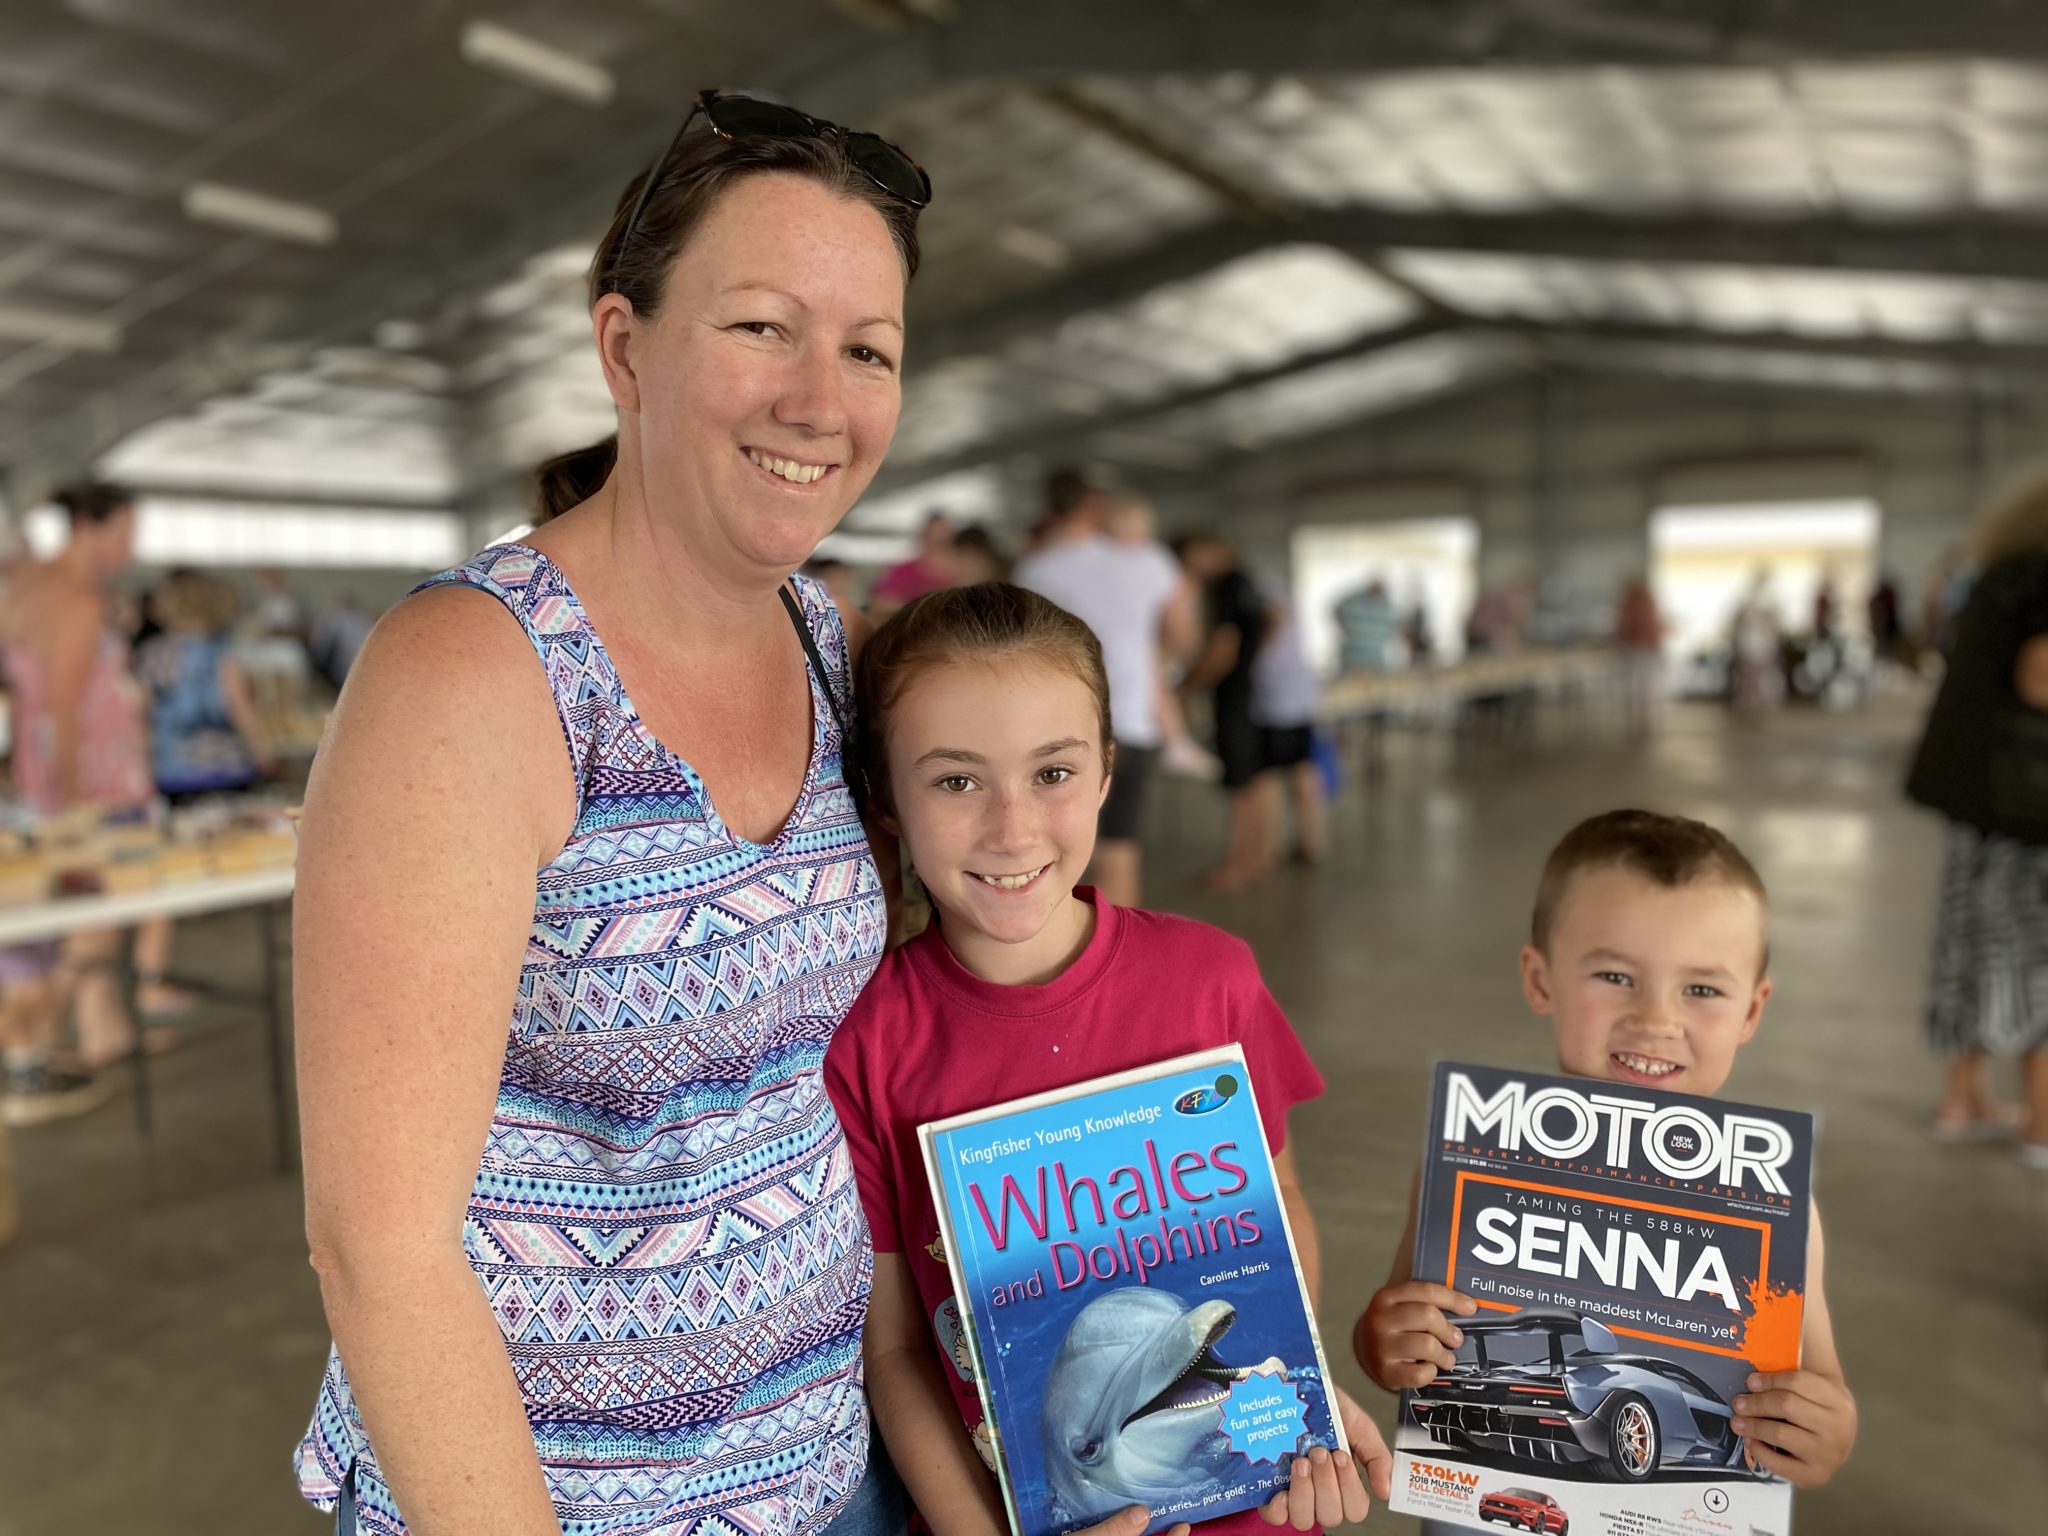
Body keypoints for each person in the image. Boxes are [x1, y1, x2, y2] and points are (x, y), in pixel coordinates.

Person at [292, 90, 929, 1536]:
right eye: (763, 325)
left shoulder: (825, 641)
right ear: (624, 345)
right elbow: (377, 1246)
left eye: (869, 350)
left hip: (832, 1469)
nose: (819, 399)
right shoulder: (475, 675)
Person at [823, 583, 1392, 1536]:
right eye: (956, 780)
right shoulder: (866, 1038)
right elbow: (891, 1351)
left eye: (1052, 773)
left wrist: (1297, 1388)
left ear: (1106, 774)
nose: (1012, 828)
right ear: (884, 798)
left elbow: (1278, 1208)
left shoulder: (1212, 980)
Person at [1353, 811, 1859, 1524]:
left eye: (1703, 990)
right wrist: (1382, 1344)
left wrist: (1824, 1431)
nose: (1655, 1020)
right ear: (1540, 979)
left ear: (1753, 1009)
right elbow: (1398, 1334)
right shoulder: (1474, 1159)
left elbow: (1821, 1385)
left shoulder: (1777, 1209)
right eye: (1615, 976)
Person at [0, 483, 179, 1099]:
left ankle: (101, 1034)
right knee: (91, 925)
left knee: (73, 922)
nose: (131, 549)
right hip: (92, 785)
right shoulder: (76, 601)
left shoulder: (25, 584)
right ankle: (30, 1050)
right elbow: (64, 708)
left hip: (42, 776)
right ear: (89, 528)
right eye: (126, 533)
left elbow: (27, 699)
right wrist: (76, 802)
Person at [1905, 470, 2048, 1165]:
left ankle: (1963, 1099)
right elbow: (2041, 677)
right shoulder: (2044, 579)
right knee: (2036, 956)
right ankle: (2044, 1122)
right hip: (2029, 805)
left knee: (1970, 948)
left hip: (1978, 798)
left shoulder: (2004, 574)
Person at [1015, 474, 1196, 907]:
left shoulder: (1035, 569)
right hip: (1129, 719)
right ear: (1096, 506)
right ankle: (1119, 961)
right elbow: (1184, 637)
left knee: (1048, 852)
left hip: (1053, 724)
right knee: (1119, 846)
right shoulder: (1150, 561)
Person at [1176, 532, 1273, 891]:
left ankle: (1238, 864)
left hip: (1234, 696)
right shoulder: (1248, 583)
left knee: (1241, 785)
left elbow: (1223, 648)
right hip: (1251, 691)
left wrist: (1187, 685)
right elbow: (1271, 622)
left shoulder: (1228, 586)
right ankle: (1259, 857)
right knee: (1254, 780)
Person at [136, 569, 278, 802]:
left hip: (171, 774)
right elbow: (240, 710)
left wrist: (143, 768)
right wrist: (264, 754)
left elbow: (143, 720)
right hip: (225, 772)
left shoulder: (150, 654)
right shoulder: (222, 655)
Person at [1250, 588, 1325, 867]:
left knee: (1270, 776)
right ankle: (1310, 840)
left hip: (1276, 706)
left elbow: (1272, 622)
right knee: (1302, 769)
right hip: (1297, 703)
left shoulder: (1265, 599)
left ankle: (1271, 847)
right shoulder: (1280, 595)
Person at [869, 510, 957, 623]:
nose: (937, 547)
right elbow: (881, 606)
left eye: (942, 542)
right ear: (923, 538)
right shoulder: (902, 572)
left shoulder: (962, 574)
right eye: (934, 540)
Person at [1614, 574, 1663, 735]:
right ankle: (1644, 721)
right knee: (1646, 687)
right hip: (1647, 648)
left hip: (1636, 649)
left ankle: (1639, 721)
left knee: (1636, 687)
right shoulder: (1649, 602)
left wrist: (1620, 641)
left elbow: (1624, 626)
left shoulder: (1632, 604)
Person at [1332, 579, 1397, 673]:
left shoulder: (1386, 606)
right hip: (1352, 657)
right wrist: (1345, 629)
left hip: (1375, 659)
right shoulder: (1354, 601)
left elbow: (1394, 626)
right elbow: (1336, 610)